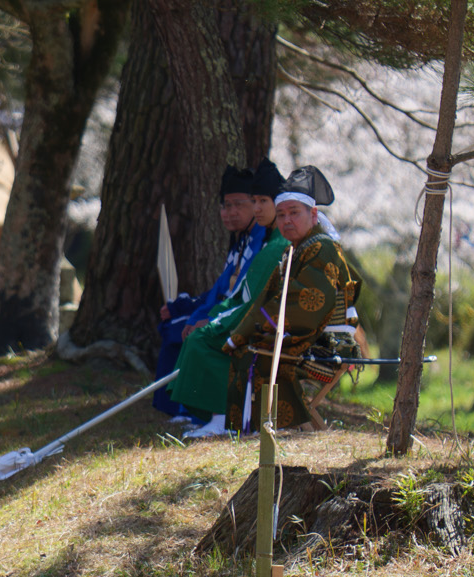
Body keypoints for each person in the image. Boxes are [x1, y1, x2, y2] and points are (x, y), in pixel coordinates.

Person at [224, 168, 360, 432]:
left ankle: (283, 429)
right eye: (282, 214)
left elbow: (307, 304)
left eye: (294, 213)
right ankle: (253, 428)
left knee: (263, 355)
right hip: (305, 337)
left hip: (328, 345)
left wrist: (261, 328)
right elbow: (267, 300)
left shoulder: (323, 249)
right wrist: (240, 334)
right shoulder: (294, 251)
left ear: (313, 215)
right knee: (247, 349)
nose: (286, 220)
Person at [167, 159, 288, 438]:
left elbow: (252, 301)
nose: (257, 208)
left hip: (266, 325)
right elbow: (237, 293)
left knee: (205, 341)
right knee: (193, 335)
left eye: (263, 201)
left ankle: (225, 418)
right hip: (252, 316)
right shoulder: (267, 241)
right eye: (254, 201)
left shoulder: (277, 244)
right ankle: (209, 415)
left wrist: (215, 323)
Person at [154, 166, 270, 418]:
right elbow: (220, 289)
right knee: (174, 325)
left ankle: (199, 412)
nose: (230, 213)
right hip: (224, 311)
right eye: (225, 206)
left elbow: (242, 295)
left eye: (239, 205)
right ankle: (177, 408)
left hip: (243, 318)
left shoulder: (265, 241)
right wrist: (186, 308)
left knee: (191, 333)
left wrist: (207, 319)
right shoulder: (241, 241)